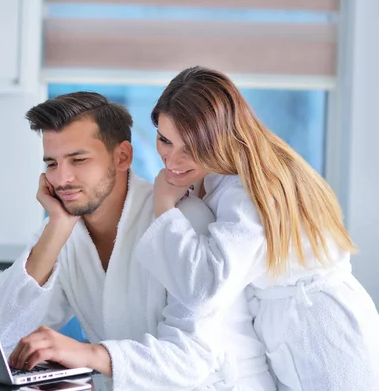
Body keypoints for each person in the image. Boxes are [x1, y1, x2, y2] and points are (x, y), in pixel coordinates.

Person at [0, 92, 275, 390]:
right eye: (52, 164)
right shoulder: (64, 232)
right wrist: (57, 226)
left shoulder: (184, 220)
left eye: (78, 160)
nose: (62, 179)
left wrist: (89, 354)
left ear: (122, 156)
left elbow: (192, 361)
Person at [136, 66, 379, 390]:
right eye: (165, 140)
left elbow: (206, 288)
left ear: (218, 138)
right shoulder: (222, 170)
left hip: (327, 335)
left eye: (191, 148)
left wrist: (165, 210)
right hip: (285, 329)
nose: (172, 161)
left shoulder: (246, 189)